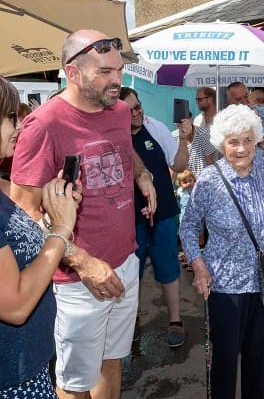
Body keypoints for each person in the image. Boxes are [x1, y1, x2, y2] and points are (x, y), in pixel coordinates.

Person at [10, 29, 156, 399]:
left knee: (112, 360)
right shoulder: (43, 125)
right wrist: (81, 262)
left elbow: (124, 149)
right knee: (74, 382)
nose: (116, 81)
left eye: (119, 71)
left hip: (125, 261)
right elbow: (22, 212)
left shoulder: (119, 110)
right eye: (104, 72)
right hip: (74, 279)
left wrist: (141, 173)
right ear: (72, 73)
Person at [179, 104, 264, 398]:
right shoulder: (210, 180)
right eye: (233, 141)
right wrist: (198, 266)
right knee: (224, 360)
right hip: (224, 285)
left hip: (262, 281)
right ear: (222, 144)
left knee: (257, 356)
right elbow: (187, 228)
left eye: (247, 140)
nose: (241, 148)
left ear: (256, 140)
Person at [0, 76, 79, 399]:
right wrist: (61, 229)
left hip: (28, 369)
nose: (18, 126)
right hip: (13, 382)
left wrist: (54, 212)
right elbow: (15, 304)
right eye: (9, 117)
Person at [120, 86, 192, 348]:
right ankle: (133, 320)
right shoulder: (115, 135)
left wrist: (185, 139)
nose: (137, 113)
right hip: (129, 217)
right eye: (129, 111)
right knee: (132, 271)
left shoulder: (156, 127)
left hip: (163, 214)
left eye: (138, 107)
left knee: (168, 267)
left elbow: (180, 165)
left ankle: (175, 320)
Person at [173, 86, 218, 178]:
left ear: (210, 99)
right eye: (196, 99)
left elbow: (210, 163)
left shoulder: (222, 119)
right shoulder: (198, 119)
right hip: (188, 182)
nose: (197, 102)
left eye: (200, 99)